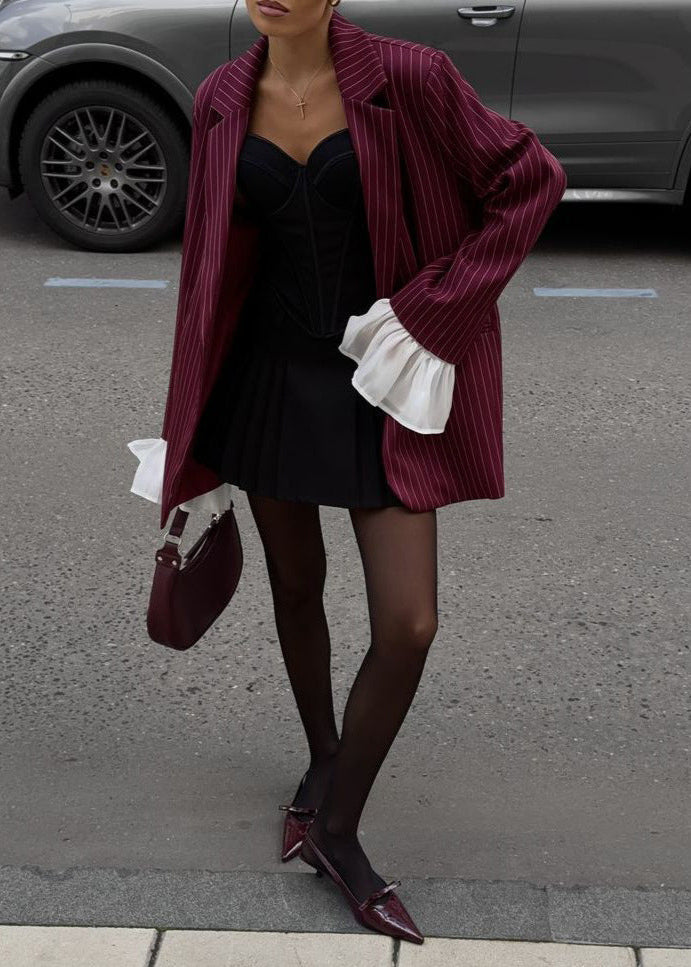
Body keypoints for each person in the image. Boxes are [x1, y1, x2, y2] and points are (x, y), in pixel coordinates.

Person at [128, 0, 567, 945]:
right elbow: (208, 268)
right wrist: (186, 426)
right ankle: (322, 760)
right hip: (266, 381)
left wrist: (436, 312)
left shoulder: (407, 79)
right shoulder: (218, 99)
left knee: (407, 622)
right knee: (296, 587)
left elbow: (529, 180)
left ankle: (336, 832)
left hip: (382, 377)